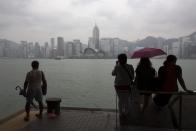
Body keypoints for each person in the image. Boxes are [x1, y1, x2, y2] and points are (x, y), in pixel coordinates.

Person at [112, 54, 134, 125]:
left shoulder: (117, 67)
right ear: (126, 59)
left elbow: (113, 74)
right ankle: (126, 112)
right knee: (126, 99)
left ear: (119, 60)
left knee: (121, 99)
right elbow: (133, 77)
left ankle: (121, 113)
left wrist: (116, 65)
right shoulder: (130, 66)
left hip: (118, 86)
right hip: (127, 86)